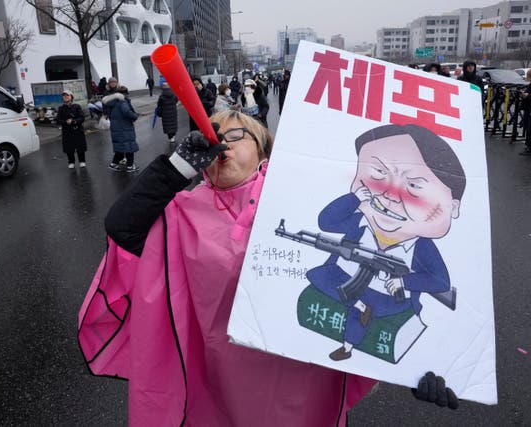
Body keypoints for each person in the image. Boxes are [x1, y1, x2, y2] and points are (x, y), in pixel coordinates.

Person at [78, 110, 459, 426]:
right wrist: (176, 168)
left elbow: (428, 286)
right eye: (212, 133)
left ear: (264, 153)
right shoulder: (178, 212)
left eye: (237, 133)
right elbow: (122, 228)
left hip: (297, 389)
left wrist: (420, 369)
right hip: (212, 388)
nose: (221, 142)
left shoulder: (297, 202)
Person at [307, 124, 465, 363]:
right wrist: (354, 199)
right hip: (344, 278)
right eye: (378, 173)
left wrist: (404, 281)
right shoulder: (359, 222)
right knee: (319, 277)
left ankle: (348, 346)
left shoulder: (420, 247)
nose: (390, 194)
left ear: (452, 208)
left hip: (387, 297)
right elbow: (326, 221)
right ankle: (357, 305)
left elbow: (440, 280)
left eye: (414, 186)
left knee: (366, 309)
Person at [102, 86, 140, 172]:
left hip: (116, 128)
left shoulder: (113, 102)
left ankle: (113, 164)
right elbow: (126, 112)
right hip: (124, 128)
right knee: (129, 147)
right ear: (125, 93)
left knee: (120, 148)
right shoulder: (122, 101)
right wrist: (135, 116)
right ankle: (130, 166)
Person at [56, 90, 87, 169]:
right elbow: (58, 120)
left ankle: (82, 161)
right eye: (64, 95)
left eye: (67, 95)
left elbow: (82, 118)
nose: (65, 97)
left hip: (77, 130)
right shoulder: (61, 108)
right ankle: (71, 162)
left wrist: (74, 121)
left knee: (80, 146)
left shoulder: (77, 106)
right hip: (67, 131)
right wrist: (66, 122)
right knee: (69, 147)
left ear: (71, 97)